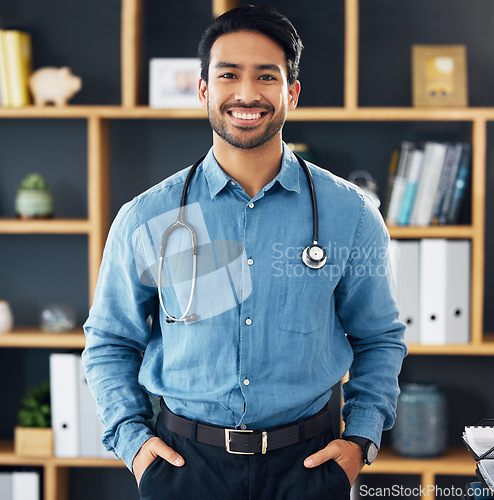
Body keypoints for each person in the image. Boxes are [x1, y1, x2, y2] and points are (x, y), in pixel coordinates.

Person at [83, 5, 407, 499]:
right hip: (182, 469)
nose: (247, 94)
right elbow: (109, 341)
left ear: (292, 93)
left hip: (310, 467)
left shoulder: (353, 215)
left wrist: (360, 440)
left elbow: (380, 337)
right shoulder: (145, 217)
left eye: (267, 77)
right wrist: (133, 444)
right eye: (229, 74)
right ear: (204, 91)